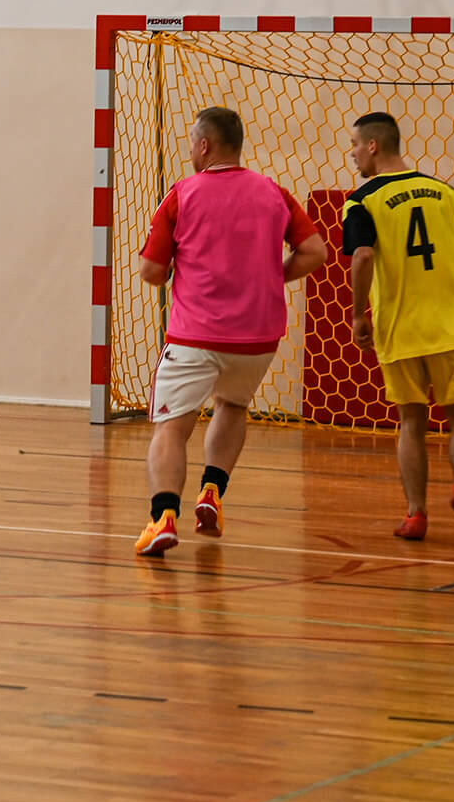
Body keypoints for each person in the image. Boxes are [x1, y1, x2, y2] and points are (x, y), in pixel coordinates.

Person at [133, 107, 327, 557]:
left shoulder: (183, 193)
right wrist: (272, 276)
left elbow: (151, 271)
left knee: (171, 428)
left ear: (204, 145)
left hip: (195, 335)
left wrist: (177, 268)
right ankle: (212, 491)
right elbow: (315, 252)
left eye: (191, 142)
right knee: (233, 405)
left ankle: (163, 517)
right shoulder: (274, 192)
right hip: (257, 337)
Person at [344, 112, 454, 541]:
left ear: (374, 145)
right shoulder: (445, 192)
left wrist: (358, 313)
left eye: (355, 145)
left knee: (411, 422)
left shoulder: (362, 200)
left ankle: (416, 515)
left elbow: (362, 256)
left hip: (399, 324)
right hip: (449, 322)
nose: (353, 154)